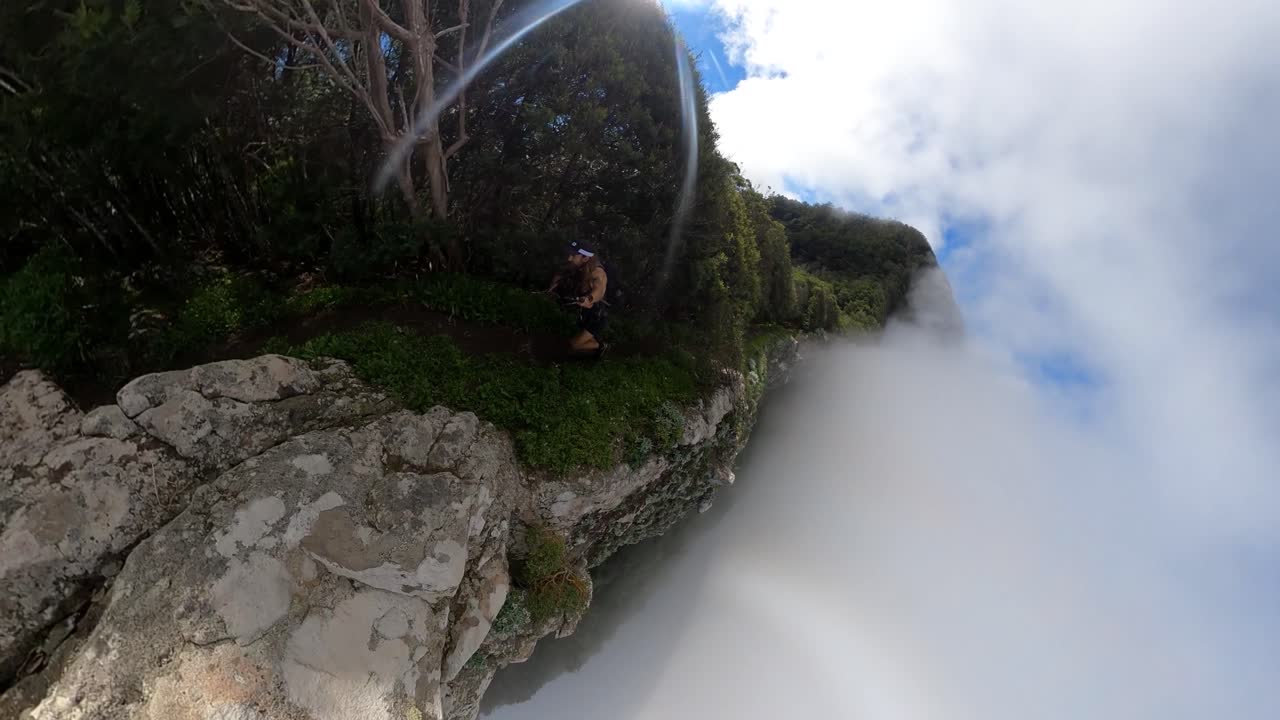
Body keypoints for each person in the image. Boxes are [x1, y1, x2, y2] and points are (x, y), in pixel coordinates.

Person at [548, 240, 609, 358]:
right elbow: (561, 274)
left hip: (597, 318)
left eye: (573, 255)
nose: (569, 258)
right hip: (584, 314)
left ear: (585, 258)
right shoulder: (577, 266)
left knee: (573, 345)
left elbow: (599, 290)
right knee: (574, 342)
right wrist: (552, 287)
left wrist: (589, 299)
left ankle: (601, 346)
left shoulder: (598, 272)